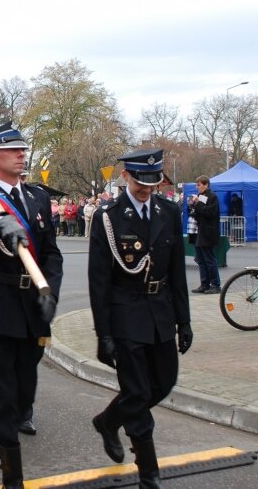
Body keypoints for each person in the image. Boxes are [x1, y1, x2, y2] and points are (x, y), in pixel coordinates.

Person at [0, 121, 63, 488]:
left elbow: (51, 252)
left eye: (23, 150)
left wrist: (50, 290)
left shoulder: (37, 197)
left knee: (23, 394)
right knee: (3, 394)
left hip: (31, 304)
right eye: (13, 151)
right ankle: (12, 477)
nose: (22, 155)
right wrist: (1, 221)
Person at [88, 148, 192, 489]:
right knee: (136, 392)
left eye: (154, 181)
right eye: (141, 181)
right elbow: (99, 281)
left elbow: (177, 271)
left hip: (160, 311)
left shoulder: (169, 210)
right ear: (126, 177)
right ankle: (149, 473)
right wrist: (103, 333)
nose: (148, 188)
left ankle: (108, 420)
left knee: (163, 382)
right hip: (125, 313)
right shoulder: (108, 217)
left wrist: (184, 321)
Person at [188, 175, 221, 294]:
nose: (197, 187)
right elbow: (197, 214)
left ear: (206, 184)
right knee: (201, 260)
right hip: (199, 232)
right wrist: (191, 206)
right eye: (197, 185)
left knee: (209, 259)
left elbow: (210, 212)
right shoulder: (200, 197)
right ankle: (205, 284)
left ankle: (216, 285)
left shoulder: (213, 197)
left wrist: (198, 204)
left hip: (208, 232)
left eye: (199, 185)